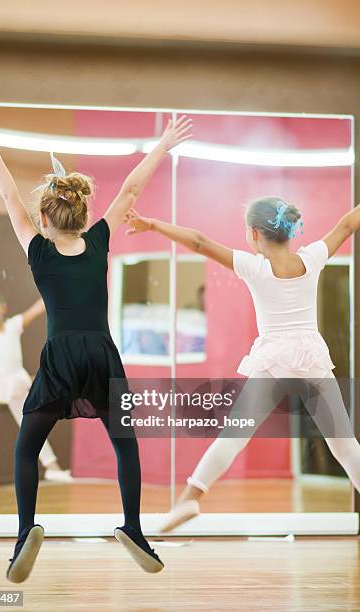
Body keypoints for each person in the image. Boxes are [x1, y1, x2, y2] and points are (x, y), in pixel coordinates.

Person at [0, 112, 192, 582]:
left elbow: (9, 197)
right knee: (125, 446)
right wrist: (163, 145)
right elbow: (129, 190)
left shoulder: (39, 250)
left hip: (61, 355)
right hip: (102, 355)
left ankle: (25, 531)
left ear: (45, 218)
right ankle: (133, 528)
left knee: (27, 446)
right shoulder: (98, 242)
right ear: (85, 215)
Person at [124, 197, 360, 532]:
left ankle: (189, 498)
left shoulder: (255, 267)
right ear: (289, 230)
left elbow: (199, 242)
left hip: (273, 360)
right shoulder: (313, 257)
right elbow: (349, 223)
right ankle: (187, 500)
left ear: (253, 234)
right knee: (346, 447)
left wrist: (153, 224)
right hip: (312, 358)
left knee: (232, 437)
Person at [0, 289, 71, 481]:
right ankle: (52, 467)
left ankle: (53, 467)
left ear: (3, 308)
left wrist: (55, 286)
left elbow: (37, 308)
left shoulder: (14, 325)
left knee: (33, 425)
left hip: (15, 386)